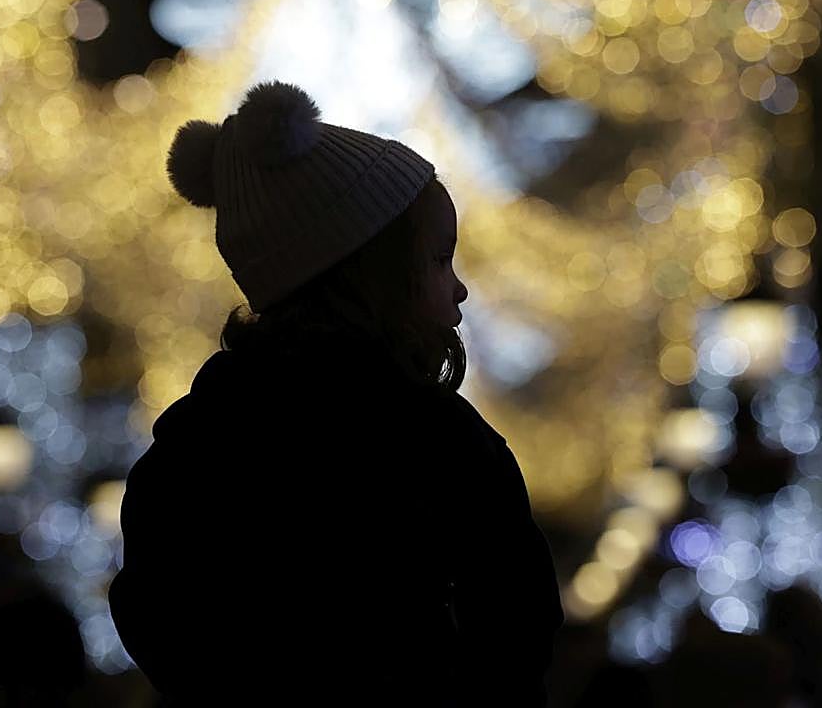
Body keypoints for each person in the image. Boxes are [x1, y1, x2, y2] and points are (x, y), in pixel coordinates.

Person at [108, 81, 563, 706]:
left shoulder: (195, 447)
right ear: (373, 277)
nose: (459, 289)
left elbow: (158, 620)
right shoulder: (435, 441)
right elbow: (518, 623)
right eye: (439, 259)